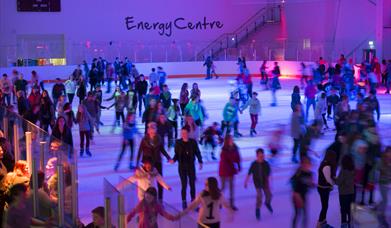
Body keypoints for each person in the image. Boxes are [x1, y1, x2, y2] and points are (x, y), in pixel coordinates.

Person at [136, 122, 173, 201]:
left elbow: (162, 150)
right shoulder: (144, 140)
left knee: (160, 180)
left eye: (154, 131)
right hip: (147, 163)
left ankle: (160, 199)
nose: (153, 133)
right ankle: (146, 199)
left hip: (157, 161)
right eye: (151, 131)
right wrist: (136, 164)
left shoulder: (159, 139)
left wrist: (168, 157)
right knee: (147, 181)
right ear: (148, 131)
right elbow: (140, 151)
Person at [173, 126, 203, 209]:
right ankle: (184, 201)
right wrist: (173, 160)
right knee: (184, 185)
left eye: (185, 133)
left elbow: (197, 152)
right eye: (182, 133)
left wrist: (200, 161)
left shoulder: (193, 142)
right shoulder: (178, 142)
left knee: (192, 184)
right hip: (182, 166)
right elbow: (176, 154)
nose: (183, 135)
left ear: (188, 133)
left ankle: (193, 202)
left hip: (191, 166)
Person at [244, 148, 272, 220]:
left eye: (262, 155)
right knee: (259, 196)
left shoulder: (266, 164)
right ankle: (257, 209)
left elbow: (269, 175)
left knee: (269, 195)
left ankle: (267, 203)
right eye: (260, 155)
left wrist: (269, 183)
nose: (262, 157)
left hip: (265, 182)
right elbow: (249, 174)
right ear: (257, 156)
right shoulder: (254, 164)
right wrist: (246, 182)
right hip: (257, 183)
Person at [290, 157, 314, 228]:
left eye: (309, 164)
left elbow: (309, 185)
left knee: (305, 214)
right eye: (306, 163)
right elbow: (294, 186)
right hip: (296, 196)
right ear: (302, 164)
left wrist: (312, 184)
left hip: (303, 195)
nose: (308, 165)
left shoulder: (310, 174)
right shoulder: (298, 173)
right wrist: (298, 197)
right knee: (297, 214)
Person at [219, 134, 241, 211]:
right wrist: (234, 166)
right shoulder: (224, 150)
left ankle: (232, 204)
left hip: (231, 171)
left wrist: (238, 166)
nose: (232, 140)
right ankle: (219, 202)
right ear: (227, 140)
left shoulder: (235, 148)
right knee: (223, 187)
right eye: (230, 139)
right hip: (224, 170)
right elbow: (225, 161)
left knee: (232, 188)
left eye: (232, 139)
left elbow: (238, 158)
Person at [317, 150, 337, 228]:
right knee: (324, 206)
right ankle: (320, 223)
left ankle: (323, 222)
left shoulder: (325, 163)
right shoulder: (326, 166)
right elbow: (328, 179)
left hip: (324, 188)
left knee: (325, 206)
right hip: (323, 188)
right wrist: (334, 184)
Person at [336, 155, 355, 228]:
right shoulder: (352, 170)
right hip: (351, 193)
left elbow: (339, 182)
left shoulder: (343, 171)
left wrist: (334, 180)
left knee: (343, 210)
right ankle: (351, 225)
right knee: (350, 210)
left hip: (343, 193)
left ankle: (343, 225)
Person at [375, 146, 391, 227]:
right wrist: (376, 182)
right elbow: (377, 172)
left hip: (388, 183)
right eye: (389, 152)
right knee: (385, 200)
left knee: (384, 200)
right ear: (386, 152)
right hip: (382, 183)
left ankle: (377, 207)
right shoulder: (381, 161)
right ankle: (380, 217)